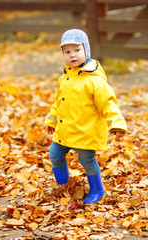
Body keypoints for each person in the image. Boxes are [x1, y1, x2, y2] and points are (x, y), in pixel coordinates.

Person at [45, 29, 127, 204]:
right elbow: (59, 102)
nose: (72, 55)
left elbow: (108, 103)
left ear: (86, 50)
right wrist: (51, 120)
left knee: (86, 160)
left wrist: (117, 124)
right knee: (54, 153)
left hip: (85, 131)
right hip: (65, 128)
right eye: (67, 52)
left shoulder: (94, 80)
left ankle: (98, 189)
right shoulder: (64, 78)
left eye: (77, 50)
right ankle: (64, 183)